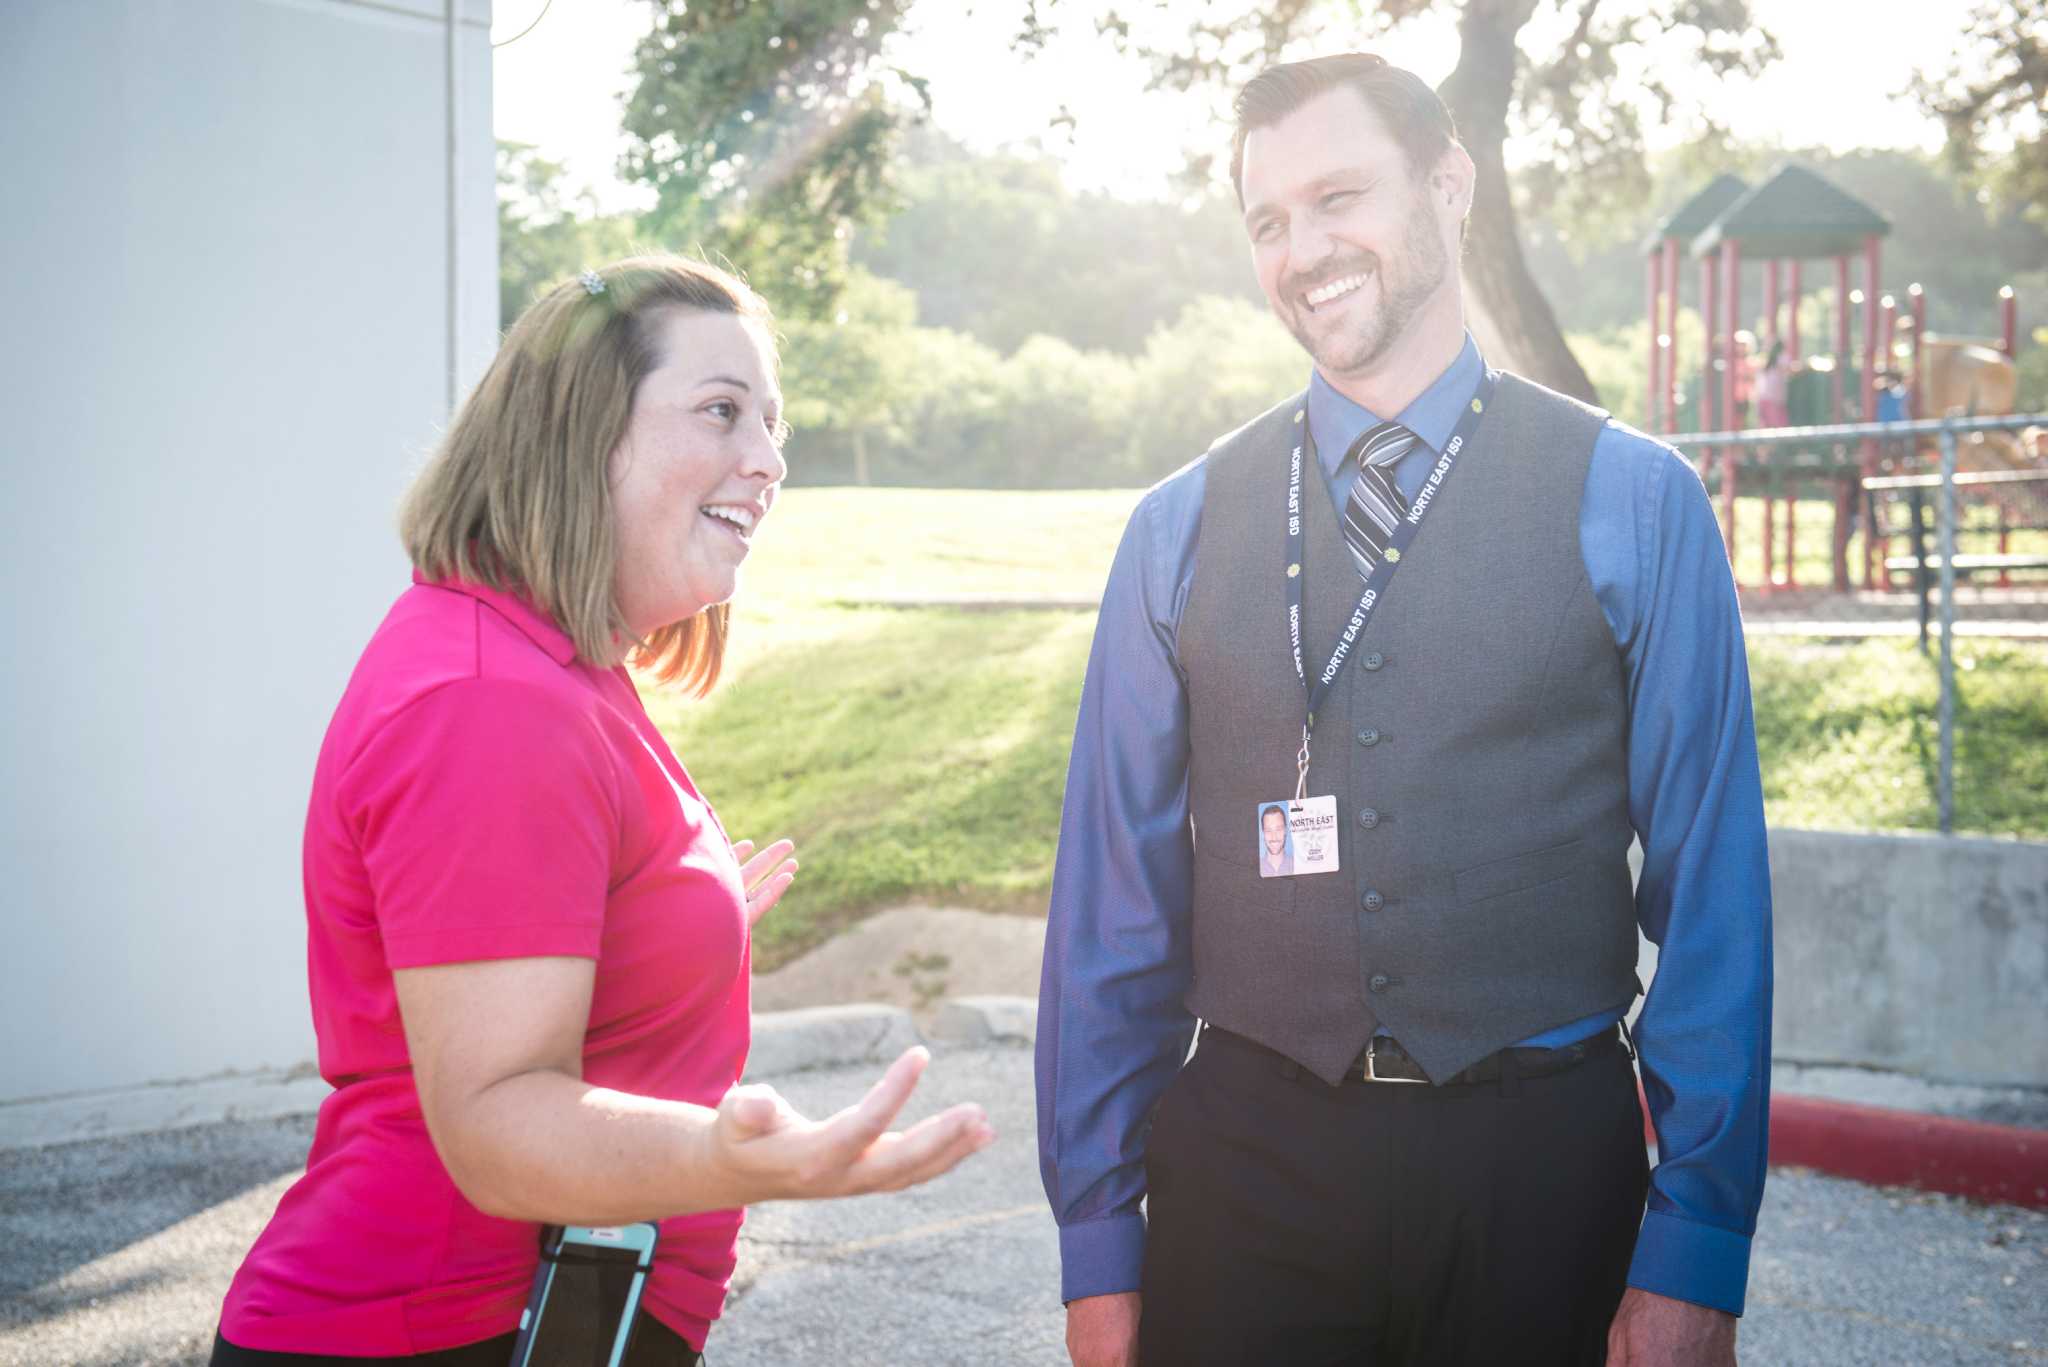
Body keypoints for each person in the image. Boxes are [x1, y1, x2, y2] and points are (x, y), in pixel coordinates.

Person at [1036, 54, 1771, 1367]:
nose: (1302, 250)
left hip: (1542, 1174)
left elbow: (1713, 896)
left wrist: (1696, 1246)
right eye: (1269, 220)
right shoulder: (1173, 529)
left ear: (1448, 183)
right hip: (1246, 1177)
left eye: (1339, 197)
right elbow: (1110, 917)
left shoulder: (1637, 502)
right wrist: (1097, 1248)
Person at [210, 256, 995, 1366]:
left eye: (772, 423)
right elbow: (496, 1121)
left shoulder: (545, 661)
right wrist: (736, 1156)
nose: (768, 459)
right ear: (580, 432)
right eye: (721, 411)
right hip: (446, 1331)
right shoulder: (487, 697)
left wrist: (666, 930)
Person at [1757, 339, 1791, 429]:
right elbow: (1787, 368)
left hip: (1765, 398)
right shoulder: (1780, 357)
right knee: (1778, 425)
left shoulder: (1766, 360)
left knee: (1768, 425)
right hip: (1773, 399)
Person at [1256, 803, 1293, 878]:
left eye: (1278, 829)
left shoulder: (1298, 865)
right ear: (1263, 832)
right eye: (1268, 830)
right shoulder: (1254, 867)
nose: (1274, 837)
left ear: (1285, 830)